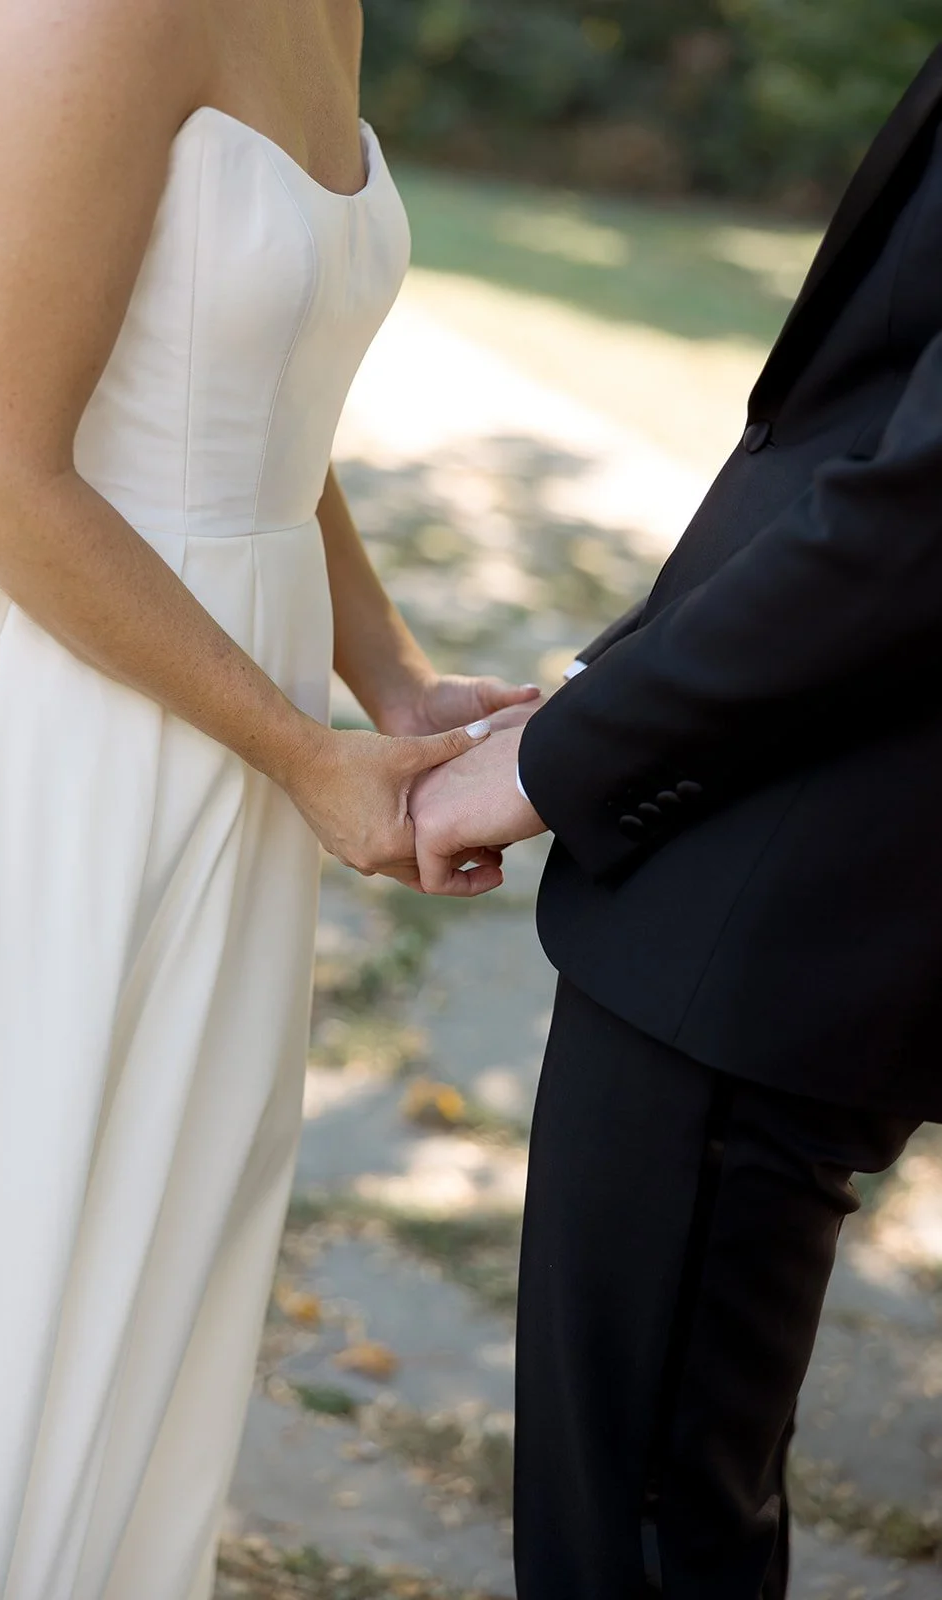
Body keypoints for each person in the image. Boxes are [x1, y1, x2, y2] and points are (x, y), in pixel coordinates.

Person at [0, 2, 539, 1595]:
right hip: (51, 728)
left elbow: (264, 406)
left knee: (139, 1254)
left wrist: (389, 681)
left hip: (231, 723)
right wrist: (305, 752)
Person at [412, 41, 942, 1600]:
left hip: (799, 873)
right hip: (791, 835)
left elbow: (918, 517)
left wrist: (558, 762)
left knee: (636, 1517)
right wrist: (605, 686)